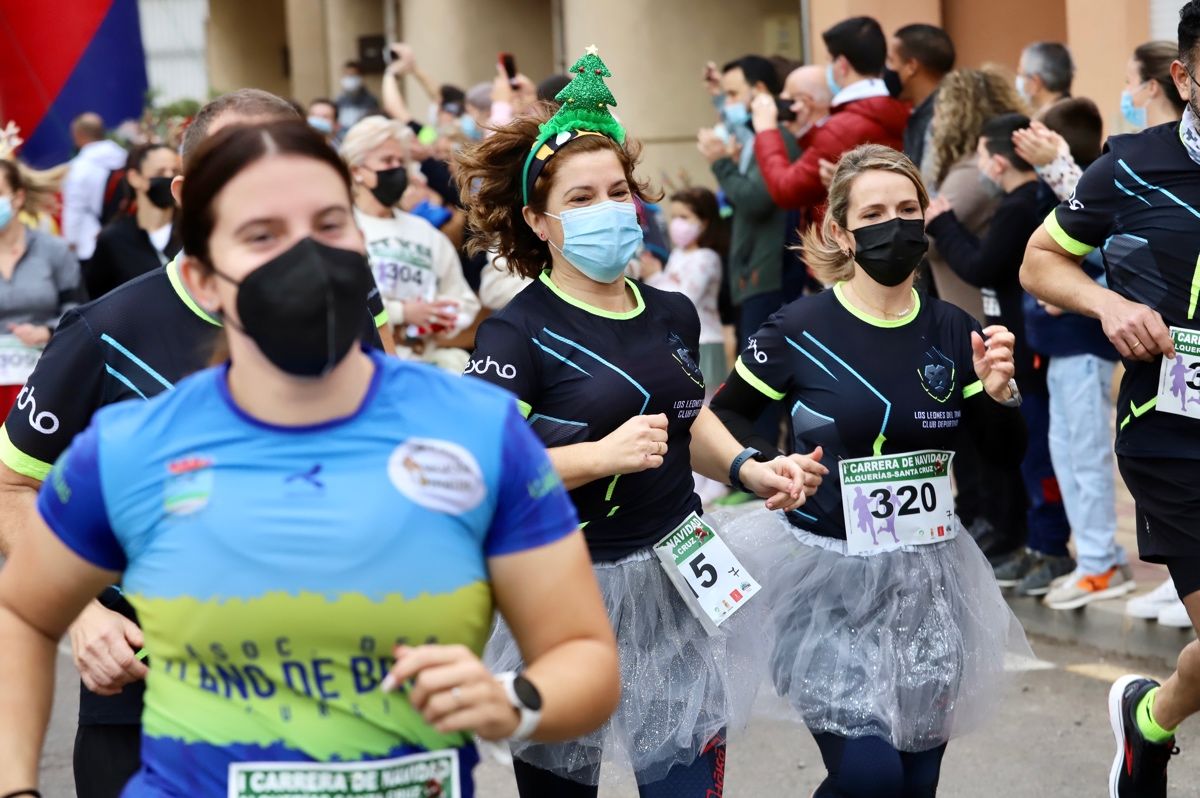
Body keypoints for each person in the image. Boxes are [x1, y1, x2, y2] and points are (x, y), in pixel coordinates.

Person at [0, 119, 622, 798]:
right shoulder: (133, 448)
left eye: (329, 223)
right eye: (262, 234)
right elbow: (24, 613)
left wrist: (513, 701)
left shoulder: (475, 431)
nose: (304, 254)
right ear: (204, 280)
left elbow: (584, 658)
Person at [0, 88, 392, 798]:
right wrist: (84, 615)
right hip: (147, 698)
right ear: (184, 192)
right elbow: (12, 488)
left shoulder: (351, 295)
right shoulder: (104, 330)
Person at [457, 48, 821, 796]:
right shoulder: (514, 333)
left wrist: (751, 467)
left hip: (677, 573)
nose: (609, 210)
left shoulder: (671, 311)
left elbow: (689, 424)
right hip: (561, 590)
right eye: (581, 198)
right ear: (538, 219)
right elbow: (478, 471)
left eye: (617, 192)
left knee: (686, 785)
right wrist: (597, 457)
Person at [710, 143, 1030, 798]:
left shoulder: (952, 328)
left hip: (929, 585)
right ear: (841, 231)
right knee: (870, 778)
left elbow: (1000, 457)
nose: (895, 225)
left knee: (914, 784)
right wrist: (766, 465)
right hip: (824, 580)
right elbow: (725, 419)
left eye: (908, 209)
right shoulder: (796, 327)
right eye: (875, 212)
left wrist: (1001, 395)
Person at [1020, 4, 1200, 793]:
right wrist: (1109, 305)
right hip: (1173, 432)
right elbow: (1039, 262)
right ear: (1186, 77)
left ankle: (1150, 718)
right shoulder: (1131, 164)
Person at [926, 113, 1074, 596]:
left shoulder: (1017, 206)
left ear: (994, 160)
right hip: (1013, 343)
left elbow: (980, 264)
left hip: (1024, 346)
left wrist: (944, 223)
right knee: (1026, 450)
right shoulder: (1015, 203)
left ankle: (1047, 544)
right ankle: (1037, 540)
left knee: (1036, 450)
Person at [340, 116, 479, 371]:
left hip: (422, 364)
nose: (397, 169)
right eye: (386, 161)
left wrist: (440, 316)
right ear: (356, 171)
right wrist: (402, 313)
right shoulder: (342, 229)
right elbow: (340, 304)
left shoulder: (425, 232)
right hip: (363, 368)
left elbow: (463, 300)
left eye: (400, 162)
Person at [749, 16, 910, 213]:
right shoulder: (900, 107)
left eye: (829, 62)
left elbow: (786, 190)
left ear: (841, 65)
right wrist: (806, 133)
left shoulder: (844, 125)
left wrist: (766, 131)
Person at [0, 160, 81, 418]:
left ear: (18, 197)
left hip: (44, 385)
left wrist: (46, 331)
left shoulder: (54, 251)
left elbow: (79, 312)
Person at [639, 187, 729, 395]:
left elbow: (683, 300)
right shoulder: (677, 255)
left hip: (705, 342)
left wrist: (654, 276)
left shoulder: (706, 258)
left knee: (706, 404)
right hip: (680, 342)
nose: (676, 223)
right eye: (673, 216)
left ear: (704, 222)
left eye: (684, 217)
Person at [86, 143, 182, 298]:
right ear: (135, 178)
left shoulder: (193, 231)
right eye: (160, 171)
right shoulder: (113, 240)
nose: (168, 177)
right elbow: (96, 299)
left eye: (174, 171)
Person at [886, 23, 956, 171]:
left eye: (891, 60)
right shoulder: (920, 114)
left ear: (911, 66)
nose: (887, 69)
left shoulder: (943, 119)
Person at [62, 113, 128, 263]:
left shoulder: (78, 168)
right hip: (126, 237)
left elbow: (74, 208)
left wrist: (70, 242)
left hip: (90, 244)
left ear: (78, 135)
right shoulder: (125, 157)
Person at [1124, 40, 1190, 130]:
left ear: (1152, 87)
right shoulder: (1192, 138)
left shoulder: (1138, 143)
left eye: (1129, 81)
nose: (1126, 90)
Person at [780, 64, 834, 142]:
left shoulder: (827, 140)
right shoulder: (835, 131)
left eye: (786, 102)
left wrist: (766, 131)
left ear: (805, 102)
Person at [1016, 42, 1075, 113]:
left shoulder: (1042, 122)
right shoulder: (1083, 116)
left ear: (1035, 83)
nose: (1018, 79)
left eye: (1021, 74)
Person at [335, 60, 381, 130]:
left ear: (361, 77)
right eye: (347, 75)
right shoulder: (339, 100)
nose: (350, 79)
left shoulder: (371, 100)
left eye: (353, 75)